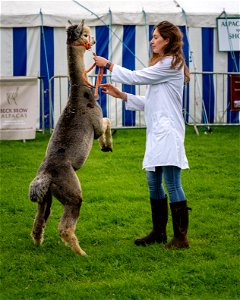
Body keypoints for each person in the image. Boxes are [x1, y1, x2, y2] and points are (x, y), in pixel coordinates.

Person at [93, 21, 191, 249]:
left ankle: (181, 238)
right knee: (153, 182)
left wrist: (108, 65)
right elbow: (152, 101)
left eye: (156, 36)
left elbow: (137, 76)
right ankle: (158, 232)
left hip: (168, 132)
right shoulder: (164, 64)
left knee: (172, 183)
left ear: (167, 40)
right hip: (158, 132)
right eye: (152, 36)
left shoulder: (171, 64)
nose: (152, 40)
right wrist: (122, 95)